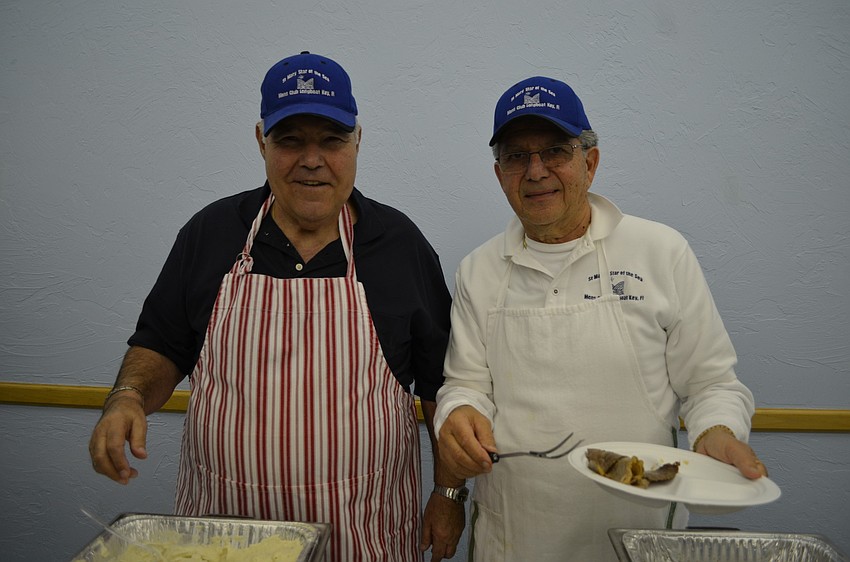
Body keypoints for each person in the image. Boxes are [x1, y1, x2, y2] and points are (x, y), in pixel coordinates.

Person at [88, 51, 465, 562]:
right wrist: (127, 397)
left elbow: (440, 386)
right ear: (261, 140)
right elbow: (161, 342)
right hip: (222, 536)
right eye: (290, 141)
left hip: (363, 536)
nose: (312, 159)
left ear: (358, 140)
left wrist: (448, 494)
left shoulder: (400, 246)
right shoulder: (211, 234)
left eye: (331, 140)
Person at [433, 76, 769, 561]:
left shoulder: (660, 252)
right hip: (514, 537)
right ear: (499, 174)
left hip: (638, 536)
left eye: (555, 151)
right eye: (517, 156)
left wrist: (715, 432)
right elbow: (464, 385)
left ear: (589, 163)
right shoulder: (478, 271)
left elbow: (711, 384)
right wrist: (458, 413)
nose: (536, 171)